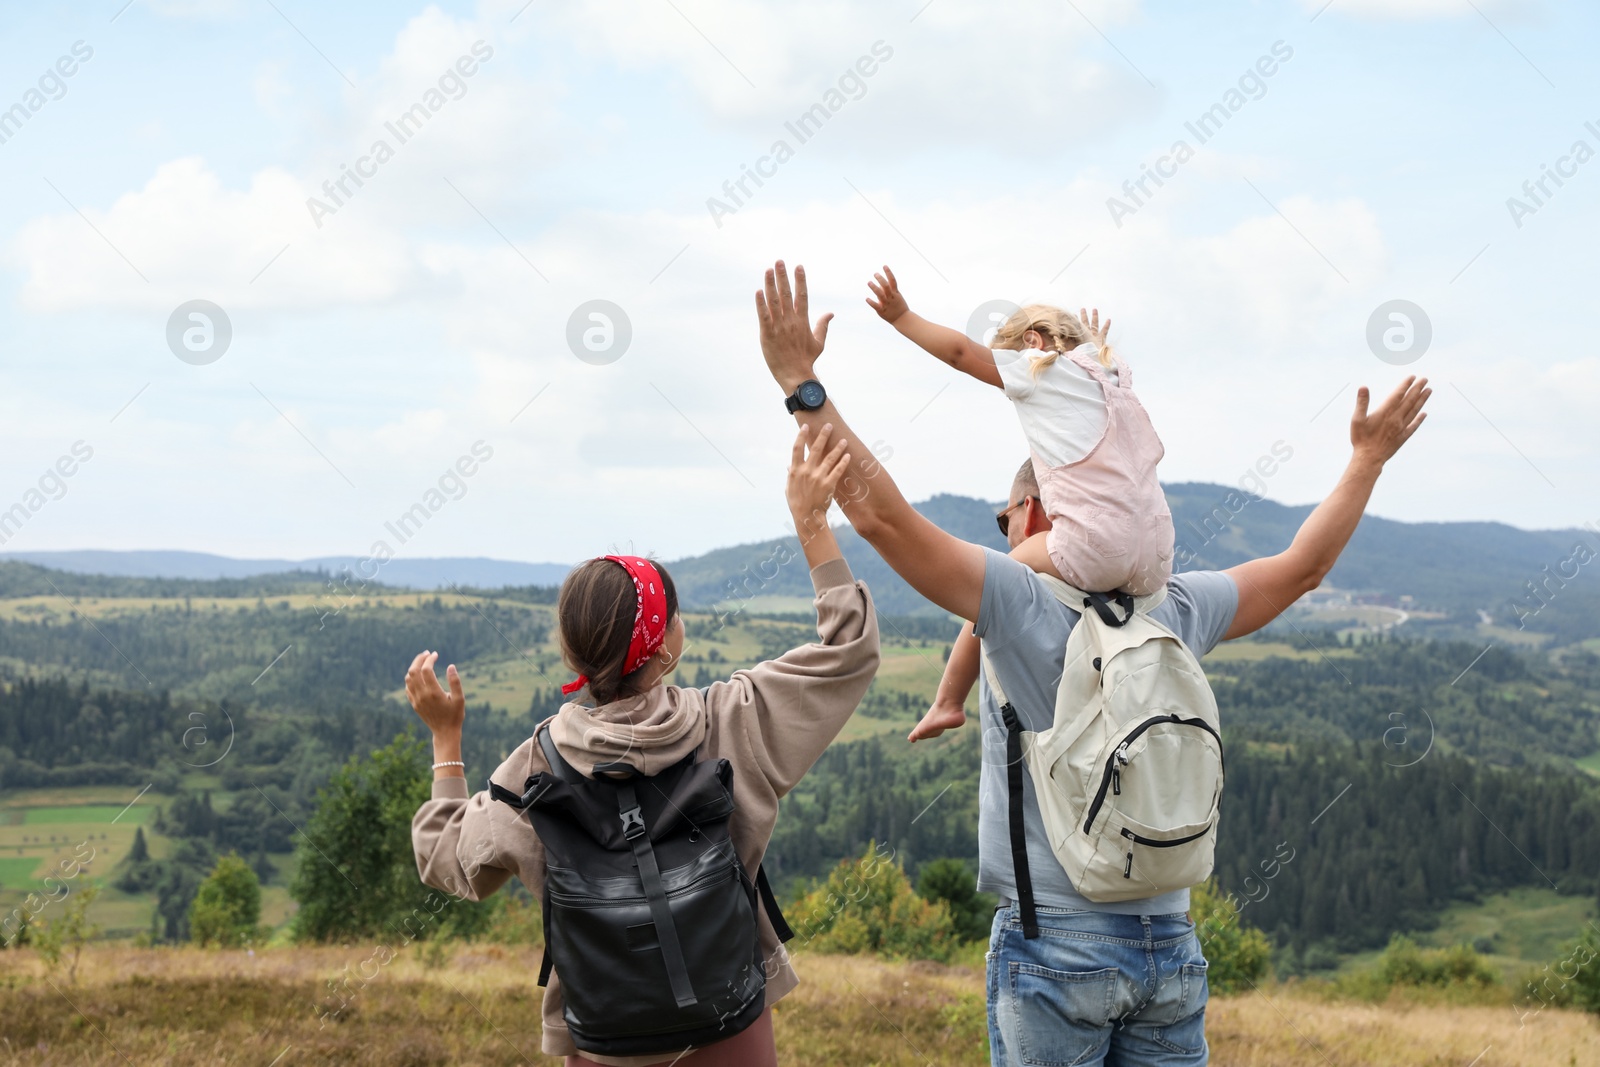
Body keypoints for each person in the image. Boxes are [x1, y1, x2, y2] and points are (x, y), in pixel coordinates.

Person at [755, 259, 1431, 1066]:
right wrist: (1365, 461)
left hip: (1057, 946)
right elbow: (1302, 568)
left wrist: (802, 383)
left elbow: (884, 519)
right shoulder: (1173, 606)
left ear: (1038, 506)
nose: (1008, 527)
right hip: (1172, 947)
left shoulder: (1019, 605)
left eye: (1007, 513)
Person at [405, 423, 880, 1067]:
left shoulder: (534, 767)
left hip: (604, 1042)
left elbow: (447, 864)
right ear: (665, 646)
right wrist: (810, 521)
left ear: (574, 653)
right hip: (729, 1023)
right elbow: (849, 652)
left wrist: (446, 742)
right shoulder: (731, 720)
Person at [865, 266, 1174, 743]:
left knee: (997, 584)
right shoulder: (1112, 377)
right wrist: (1089, 340)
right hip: (1158, 558)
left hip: (1096, 547)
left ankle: (948, 702)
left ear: (1033, 342)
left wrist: (901, 316)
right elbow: (1095, 357)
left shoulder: (1040, 370)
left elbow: (960, 353)